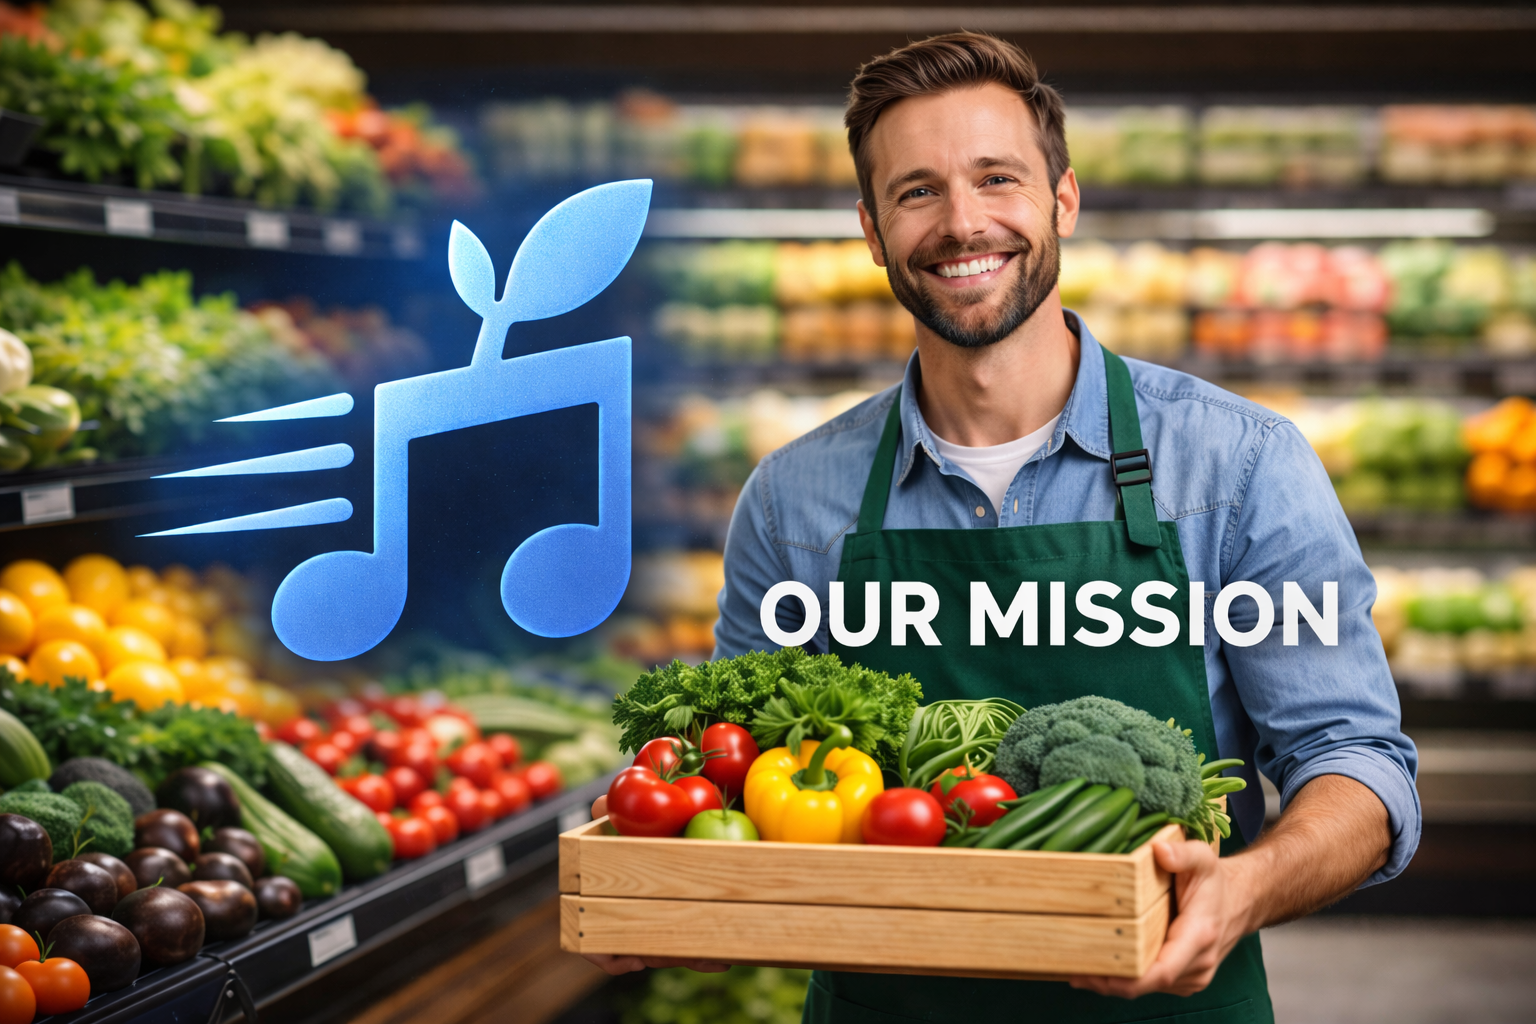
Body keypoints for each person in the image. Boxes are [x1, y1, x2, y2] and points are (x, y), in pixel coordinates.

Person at [586, 31, 1419, 1024]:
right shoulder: (793, 500)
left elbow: (1356, 762)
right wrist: (656, 866)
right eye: (917, 191)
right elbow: (734, 764)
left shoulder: (1239, 465)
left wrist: (1241, 888)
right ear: (870, 228)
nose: (963, 222)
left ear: (1063, 199)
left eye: (997, 178)